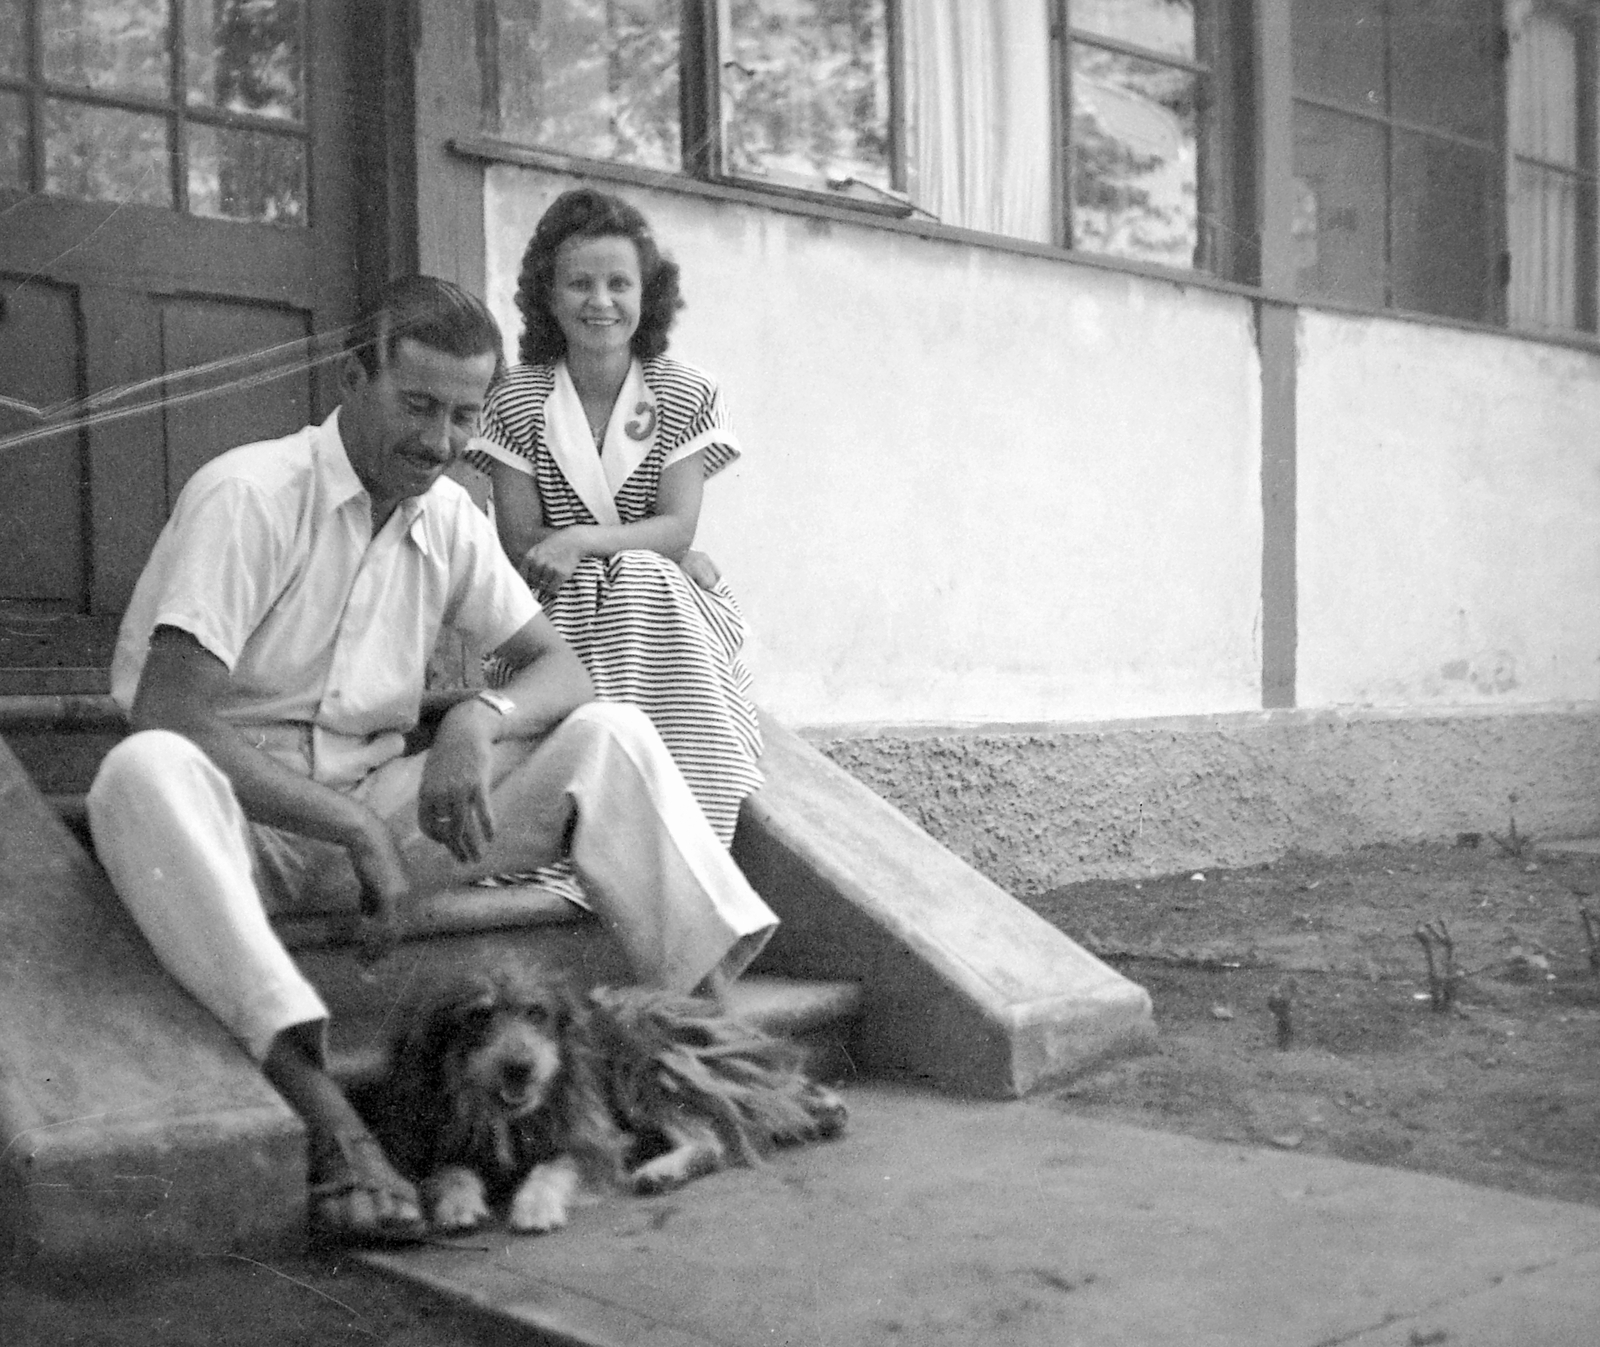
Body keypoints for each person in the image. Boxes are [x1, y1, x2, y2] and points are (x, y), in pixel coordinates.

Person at [85, 276, 778, 1245]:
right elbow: (171, 709)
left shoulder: (444, 517)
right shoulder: (249, 494)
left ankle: (723, 1055)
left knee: (611, 734)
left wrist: (476, 719)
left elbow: (564, 670)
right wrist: (352, 825)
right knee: (141, 771)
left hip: (379, 812)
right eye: (418, 407)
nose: (443, 442)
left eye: (463, 416)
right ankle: (335, 1130)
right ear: (352, 377)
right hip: (234, 827)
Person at [468, 189, 762, 870]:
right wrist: (606, 550)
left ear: (646, 294)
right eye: (579, 283)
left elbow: (678, 528)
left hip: (660, 607)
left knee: (644, 575)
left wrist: (587, 542)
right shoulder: (515, 398)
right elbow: (522, 542)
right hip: (554, 613)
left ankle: (685, 840)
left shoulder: (686, 391)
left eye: (619, 283)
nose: (600, 301)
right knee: (638, 571)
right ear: (547, 295)